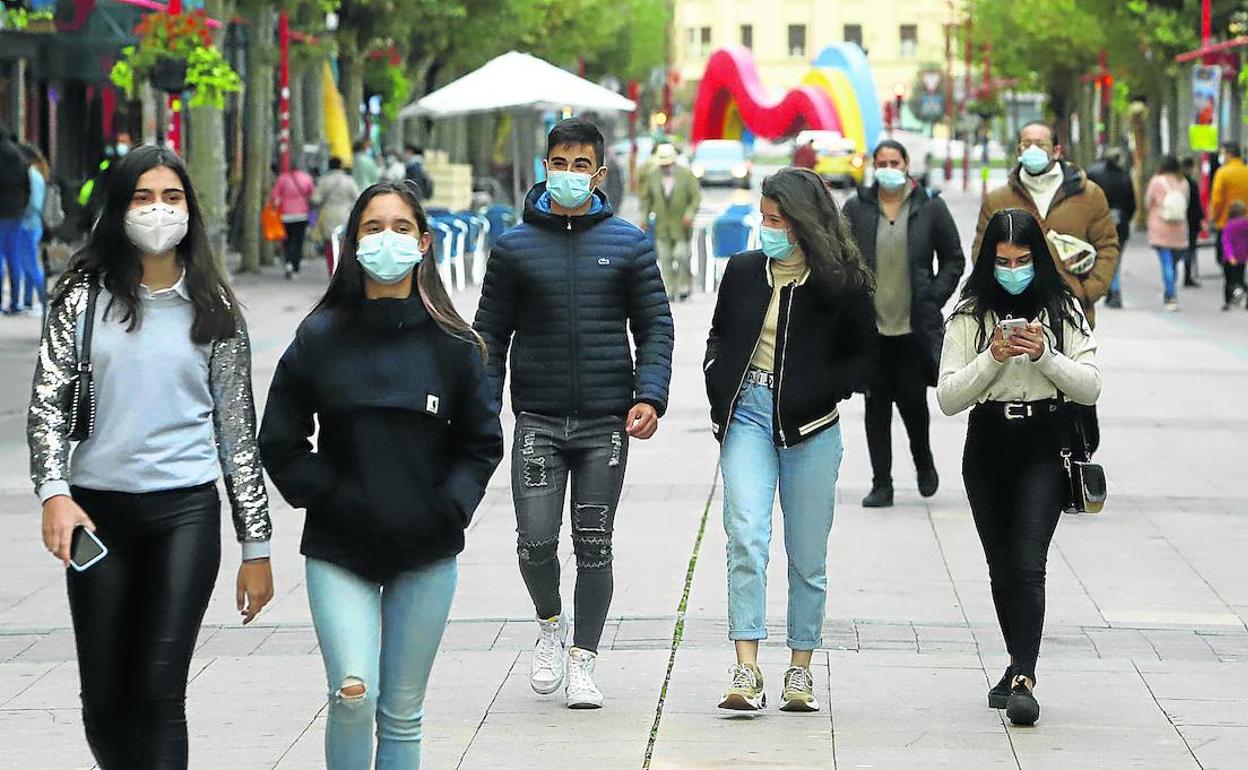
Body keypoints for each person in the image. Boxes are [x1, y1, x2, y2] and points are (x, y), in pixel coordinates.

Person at [27, 145, 274, 767]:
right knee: (105, 700)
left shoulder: (216, 310)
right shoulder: (81, 299)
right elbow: (47, 403)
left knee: (160, 692)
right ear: (118, 209)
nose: (158, 210)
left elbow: (237, 435)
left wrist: (257, 548)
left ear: (190, 210)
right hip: (95, 518)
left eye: (171, 197)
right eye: (142, 197)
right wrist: (54, 493)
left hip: (184, 514)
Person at [260, 180, 503, 768]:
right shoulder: (319, 337)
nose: (386, 239)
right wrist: (330, 494)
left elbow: (481, 443)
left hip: (426, 553)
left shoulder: (454, 345)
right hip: (339, 551)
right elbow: (280, 441)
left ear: (423, 242)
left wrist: (448, 506)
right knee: (353, 694)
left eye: (400, 228)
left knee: (401, 713)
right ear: (351, 243)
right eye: (372, 228)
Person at [474, 117, 674, 709]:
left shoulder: (628, 244)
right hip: (537, 420)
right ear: (545, 168)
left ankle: (584, 660)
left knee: (594, 543)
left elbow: (655, 327)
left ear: (599, 173)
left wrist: (648, 395)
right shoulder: (513, 248)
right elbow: (490, 334)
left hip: (605, 424)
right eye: (559, 164)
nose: (568, 174)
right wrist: (484, 408)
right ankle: (549, 624)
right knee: (535, 542)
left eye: (580, 165)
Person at [705, 167, 877, 713]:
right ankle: (746, 667)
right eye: (764, 218)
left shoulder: (841, 282)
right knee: (746, 535)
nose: (767, 229)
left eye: (777, 220)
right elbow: (718, 334)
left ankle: (800, 668)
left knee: (807, 555)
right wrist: (716, 376)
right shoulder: (743, 271)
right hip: (747, 418)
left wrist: (821, 388)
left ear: (804, 223)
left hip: (812, 427)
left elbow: (865, 357)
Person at [937, 208, 1101, 727]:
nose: (1013, 271)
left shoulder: (1063, 308)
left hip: (1043, 444)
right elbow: (948, 397)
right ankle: (1015, 664)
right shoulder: (970, 313)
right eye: (1003, 261)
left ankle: (1024, 676)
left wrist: (1044, 356)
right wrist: (992, 357)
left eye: (1023, 260)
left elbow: (1090, 385)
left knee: (1029, 562)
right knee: (1001, 564)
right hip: (987, 445)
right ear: (989, 261)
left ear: (1039, 259)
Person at [843, 139, 964, 508]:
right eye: (881, 163)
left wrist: (933, 295)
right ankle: (881, 483)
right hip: (872, 329)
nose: (888, 169)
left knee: (913, 402)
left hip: (913, 327)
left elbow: (953, 259)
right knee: (875, 406)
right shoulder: (857, 208)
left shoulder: (930, 207)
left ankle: (924, 464)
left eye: (894, 162)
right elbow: (841, 257)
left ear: (907, 164)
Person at [973, 122, 1119, 327]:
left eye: (1040, 144)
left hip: (1071, 317)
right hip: (1012, 317)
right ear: (1018, 151)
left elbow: (1107, 246)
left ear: (1057, 151)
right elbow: (981, 252)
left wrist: (1088, 292)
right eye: (1026, 144)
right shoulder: (997, 200)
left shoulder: (1089, 195)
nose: (1032, 150)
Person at [641, 143, 701, 302]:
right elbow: (646, 199)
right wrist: (644, 218)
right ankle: (669, 289)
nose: (665, 167)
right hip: (662, 226)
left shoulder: (686, 175)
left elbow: (695, 197)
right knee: (665, 258)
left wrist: (689, 214)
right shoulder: (653, 176)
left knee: (681, 255)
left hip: (681, 226)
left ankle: (683, 287)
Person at [1086, 148, 1136, 308]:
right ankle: (1114, 290)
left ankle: (1109, 289)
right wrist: (1126, 218)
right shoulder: (1125, 178)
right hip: (1121, 223)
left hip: (1099, 223)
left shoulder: (1094, 176)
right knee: (1116, 259)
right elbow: (1132, 204)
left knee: (1103, 257)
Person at [1144, 155, 1190, 312]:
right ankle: (1170, 289)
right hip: (1179, 229)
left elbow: (1148, 202)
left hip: (1160, 227)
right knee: (1173, 262)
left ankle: (1170, 295)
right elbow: (1186, 202)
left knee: (1166, 263)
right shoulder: (1184, 183)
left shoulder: (1156, 181)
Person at [14, 143, 48, 315]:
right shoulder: (37, 175)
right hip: (33, 223)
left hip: (27, 223)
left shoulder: (31, 176)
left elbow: (33, 203)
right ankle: (28, 300)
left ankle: (44, 301)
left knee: (31, 265)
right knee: (29, 265)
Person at [312, 157, 361, 276]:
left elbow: (316, 199)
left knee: (329, 243)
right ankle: (341, 268)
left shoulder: (324, 181)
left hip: (328, 214)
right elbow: (358, 197)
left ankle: (332, 270)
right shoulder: (349, 180)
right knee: (343, 242)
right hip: (345, 214)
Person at [270, 161, 316, 279]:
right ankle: (295, 268)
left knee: (287, 241)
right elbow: (313, 196)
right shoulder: (307, 178)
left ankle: (288, 263)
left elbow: (275, 195)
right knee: (298, 242)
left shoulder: (282, 178)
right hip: (302, 215)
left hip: (286, 215)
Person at [0, 134, 30, 314]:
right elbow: (27, 188)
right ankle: (15, 301)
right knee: (14, 258)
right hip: (16, 212)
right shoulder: (19, 158)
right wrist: (22, 206)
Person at [1210, 142, 1248, 282]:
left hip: (1226, 222)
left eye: (1223, 153)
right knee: (1242, 255)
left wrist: (1214, 217)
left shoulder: (1223, 173)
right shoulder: (1246, 171)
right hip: (1245, 222)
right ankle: (1239, 282)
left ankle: (1232, 284)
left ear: (1229, 154)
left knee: (1226, 256)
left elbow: (1217, 199)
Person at [1179, 157, 1205, 289]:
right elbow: (1196, 204)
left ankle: (1180, 275)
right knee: (1190, 249)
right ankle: (1187, 276)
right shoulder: (1191, 184)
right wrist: (1201, 219)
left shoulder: (1178, 183)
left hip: (1179, 220)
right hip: (1191, 222)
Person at [1220, 201, 1248, 309]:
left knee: (1229, 281)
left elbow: (1226, 242)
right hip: (1242, 257)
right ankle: (1244, 297)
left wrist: (1230, 255)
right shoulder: (1246, 224)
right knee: (1240, 279)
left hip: (1229, 259)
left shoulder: (1229, 226)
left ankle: (1227, 302)